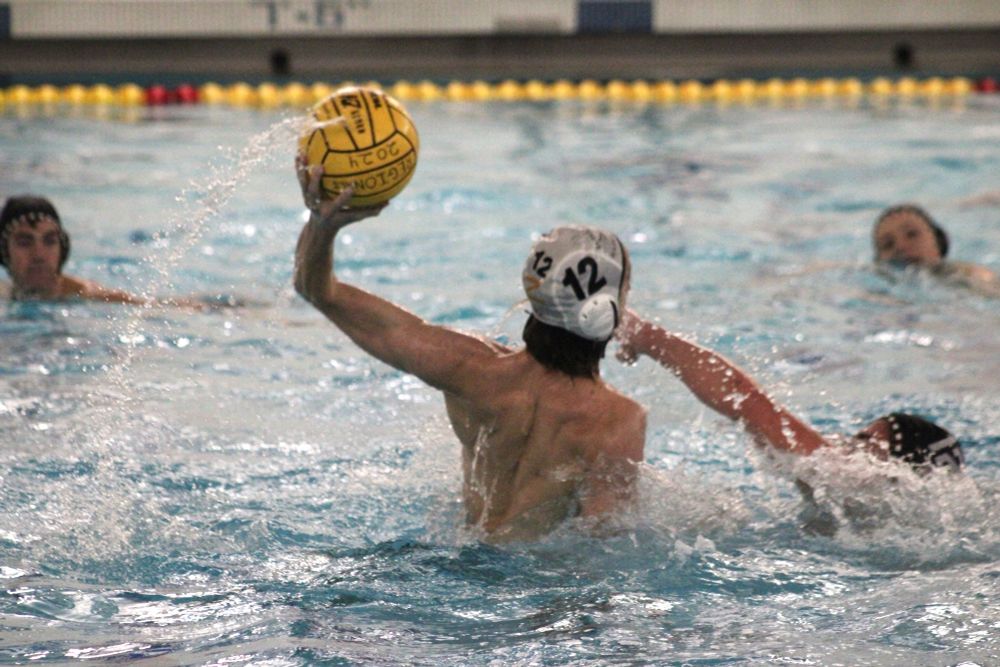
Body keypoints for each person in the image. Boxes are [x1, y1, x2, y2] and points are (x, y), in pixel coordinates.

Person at [293, 158, 646, 542]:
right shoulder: (617, 421)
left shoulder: (470, 368)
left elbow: (320, 291)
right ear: (604, 309)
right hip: (537, 584)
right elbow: (603, 546)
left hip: (458, 560)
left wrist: (321, 225)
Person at [615, 311, 965, 531]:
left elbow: (744, 399)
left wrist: (640, 332)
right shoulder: (913, 523)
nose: (843, 444)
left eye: (864, 442)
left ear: (898, 468)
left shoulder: (861, 486)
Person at [1, 194, 223, 307]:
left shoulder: (88, 296)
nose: (39, 254)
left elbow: (158, 306)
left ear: (63, 248)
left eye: (49, 241)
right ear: (4, 251)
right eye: (24, 242)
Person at [872, 204, 1000, 297]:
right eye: (888, 244)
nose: (900, 246)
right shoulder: (879, 289)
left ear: (938, 241)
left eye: (912, 234)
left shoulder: (966, 274)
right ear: (879, 261)